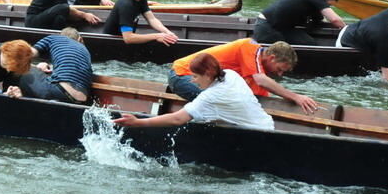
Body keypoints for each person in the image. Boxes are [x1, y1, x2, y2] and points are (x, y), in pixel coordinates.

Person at [114, 53, 274, 131]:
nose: (192, 81)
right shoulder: (231, 74)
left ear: (208, 74)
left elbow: (177, 119)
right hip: (268, 125)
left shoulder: (209, 96)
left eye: (195, 76)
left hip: (256, 135)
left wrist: (138, 122)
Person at [167, 39, 318, 114]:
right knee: (220, 103)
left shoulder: (256, 72)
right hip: (182, 75)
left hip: (200, 81)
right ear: (271, 58)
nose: (279, 74)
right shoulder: (249, 47)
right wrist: (295, 97)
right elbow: (261, 80)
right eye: (279, 69)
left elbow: (259, 100)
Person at [18, 27, 93, 104]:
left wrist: (36, 67)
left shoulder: (53, 38)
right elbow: (71, 71)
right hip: (81, 100)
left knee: (24, 69)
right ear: (80, 39)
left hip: (60, 91)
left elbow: (26, 54)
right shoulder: (86, 52)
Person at [254, 0, 345, 45]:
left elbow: (318, 20)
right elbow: (334, 19)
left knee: (309, 43)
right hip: (267, 27)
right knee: (284, 51)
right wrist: (345, 29)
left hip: (283, 28)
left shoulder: (312, 3)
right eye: (328, 5)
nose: (327, 6)